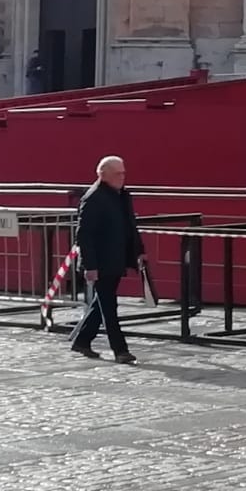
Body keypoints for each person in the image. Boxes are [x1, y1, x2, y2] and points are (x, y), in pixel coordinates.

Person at [69, 155, 147, 364]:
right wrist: (90, 266)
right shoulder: (93, 198)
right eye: (117, 173)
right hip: (101, 261)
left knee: (101, 303)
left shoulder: (122, 196)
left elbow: (131, 225)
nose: (122, 177)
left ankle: (82, 340)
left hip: (116, 258)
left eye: (123, 172)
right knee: (109, 307)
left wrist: (139, 250)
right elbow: (84, 235)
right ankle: (120, 350)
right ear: (104, 175)